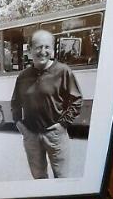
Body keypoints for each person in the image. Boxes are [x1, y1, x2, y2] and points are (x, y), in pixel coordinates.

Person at [11, 30, 82, 179]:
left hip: (55, 135)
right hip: (31, 136)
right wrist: (19, 124)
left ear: (52, 49)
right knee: (39, 178)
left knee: (62, 179)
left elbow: (76, 100)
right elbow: (15, 103)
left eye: (47, 47)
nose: (43, 51)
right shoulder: (23, 76)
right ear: (30, 49)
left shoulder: (63, 71)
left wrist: (63, 124)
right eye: (38, 47)